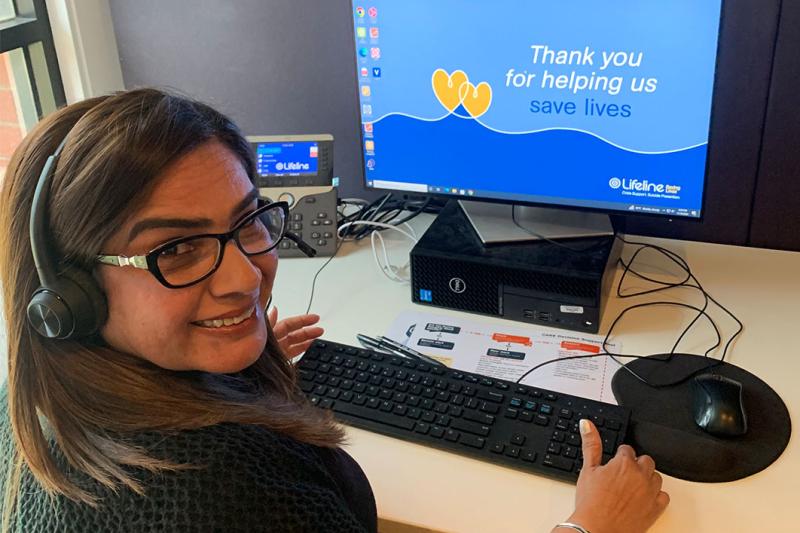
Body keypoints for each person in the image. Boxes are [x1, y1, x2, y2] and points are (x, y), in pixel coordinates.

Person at [0, 88, 668, 532]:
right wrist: (590, 525)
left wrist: (238, 378)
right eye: (176, 249)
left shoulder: (26, 404)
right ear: (71, 296)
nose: (244, 276)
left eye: (247, 222)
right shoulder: (230, 491)